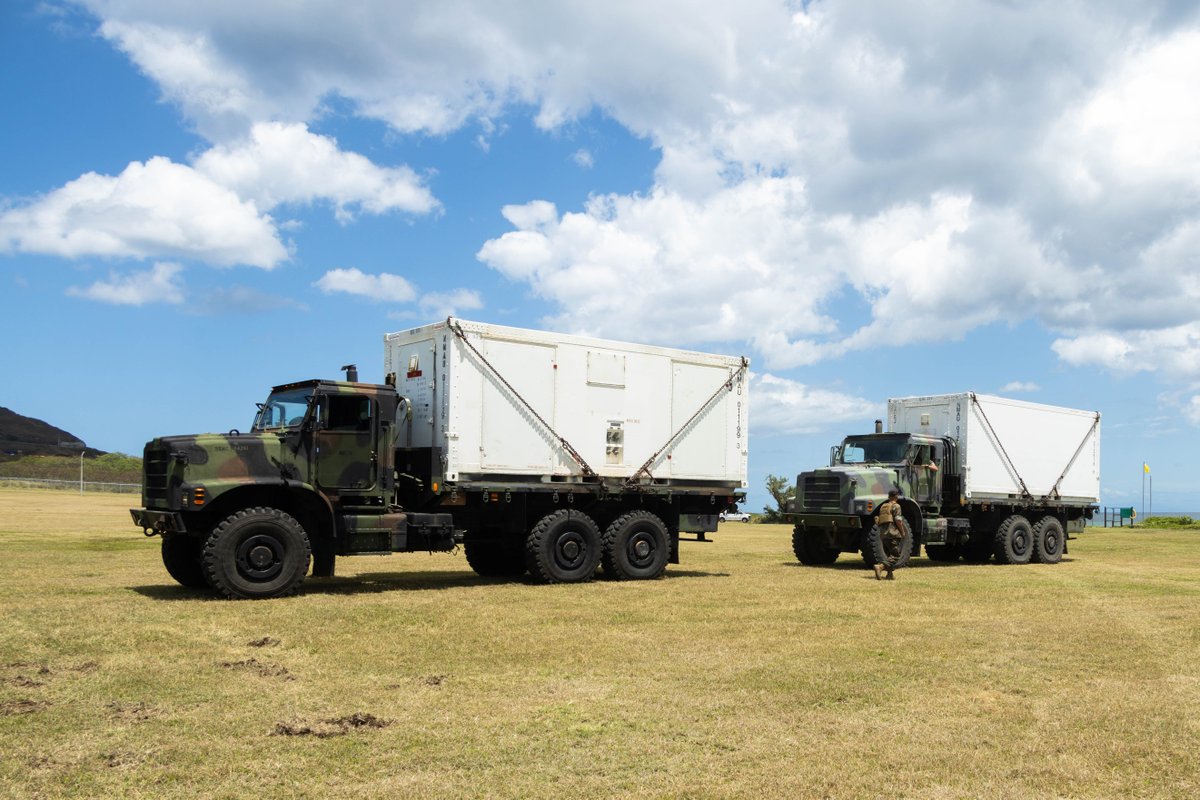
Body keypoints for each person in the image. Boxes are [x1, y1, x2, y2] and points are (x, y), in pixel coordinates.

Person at [874, 489, 905, 580]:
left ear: (889, 496)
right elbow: (898, 520)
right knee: (895, 555)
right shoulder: (896, 506)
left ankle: (889, 575)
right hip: (893, 534)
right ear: (896, 496)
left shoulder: (883, 506)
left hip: (883, 534)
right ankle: (880, 567)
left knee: (889, 556)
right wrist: (902, 531)